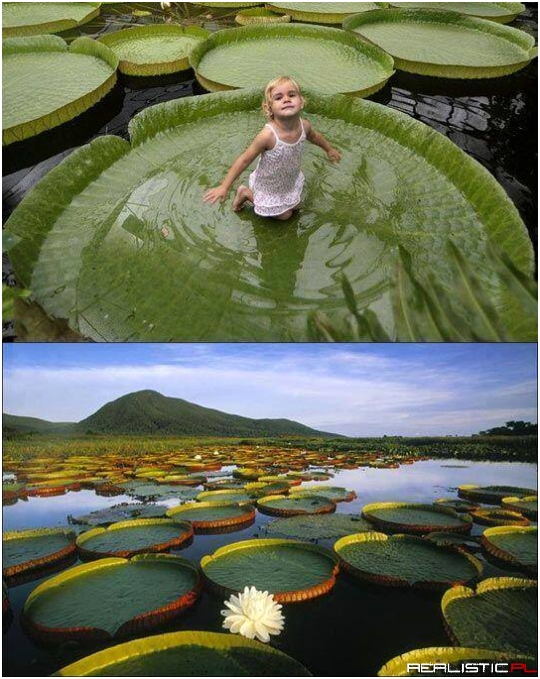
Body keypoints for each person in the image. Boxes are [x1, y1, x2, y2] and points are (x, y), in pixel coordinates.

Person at [203, 76, 341, 221]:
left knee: (297, 206)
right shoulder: (268, 136)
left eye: (292, 95)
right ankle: (245, 193)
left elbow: (315, 137)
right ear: (269, 108)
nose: (286, 99)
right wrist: (224, 186)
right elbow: (245, 159)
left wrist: (329, 149)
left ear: (302, 101)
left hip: (288, 179)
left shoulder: (304, 126)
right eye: (278, 97)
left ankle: (283, 200)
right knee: (285, 216)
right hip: (269, 184)